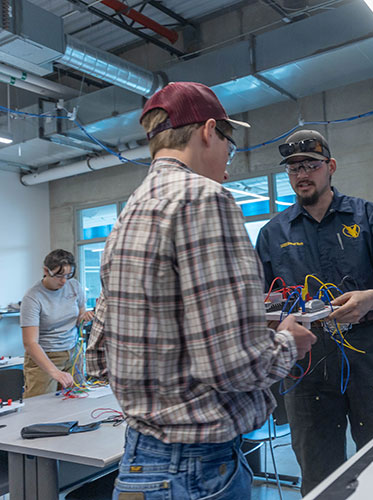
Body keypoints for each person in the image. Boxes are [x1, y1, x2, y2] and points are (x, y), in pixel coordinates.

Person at [86, 82, 316, 500]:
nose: (228, 158)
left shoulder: (127, 216)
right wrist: (287, 342)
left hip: (139, 462)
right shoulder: (205, 199)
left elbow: (100, 356)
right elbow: (232, 364)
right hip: (196, 470)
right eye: (229, 141)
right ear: (209, 131)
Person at [255, 129, 373, 495]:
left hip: (367, 354)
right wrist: (279, 316)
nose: (301, 174)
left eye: (310, 164)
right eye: (293, 168)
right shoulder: (272, 233)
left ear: (331, 167)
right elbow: (263, 305)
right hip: (306, 363)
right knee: (318, 473)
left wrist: (371, 298)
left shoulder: (366, 216)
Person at [20, 249, 93, 398]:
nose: (64, 281)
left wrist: (84, 317)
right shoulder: (33, 298)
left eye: (68, 275)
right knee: (41, 406)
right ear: (46, 271)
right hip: (45, 357)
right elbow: (30, 343)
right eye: (59, 276)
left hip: (73, 353)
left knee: (77, 400)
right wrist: (54, 372)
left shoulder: (74, 286)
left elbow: (79, 316)